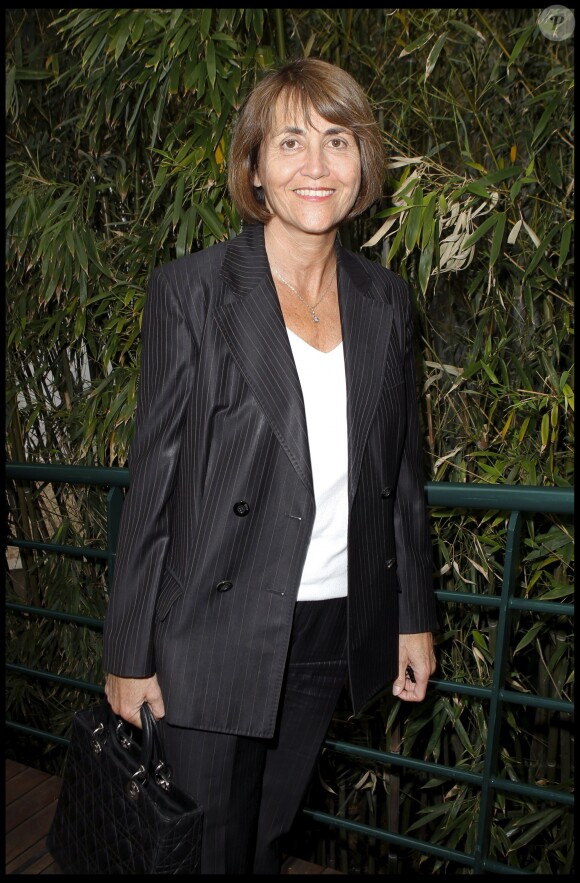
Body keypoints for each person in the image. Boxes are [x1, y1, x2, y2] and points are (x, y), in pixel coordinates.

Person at [103, 57, 438, 875]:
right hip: (214, 626)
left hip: (331, 620)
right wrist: (127, 651)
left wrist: (412, 611)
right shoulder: (192, 290)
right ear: (254, 166)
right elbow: (155, 481)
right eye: (290, 142)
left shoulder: (385, 298)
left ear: (364, 162)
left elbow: (401, 473)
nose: (315, 166)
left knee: (267, 839)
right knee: (204, 848)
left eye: (337, 140)